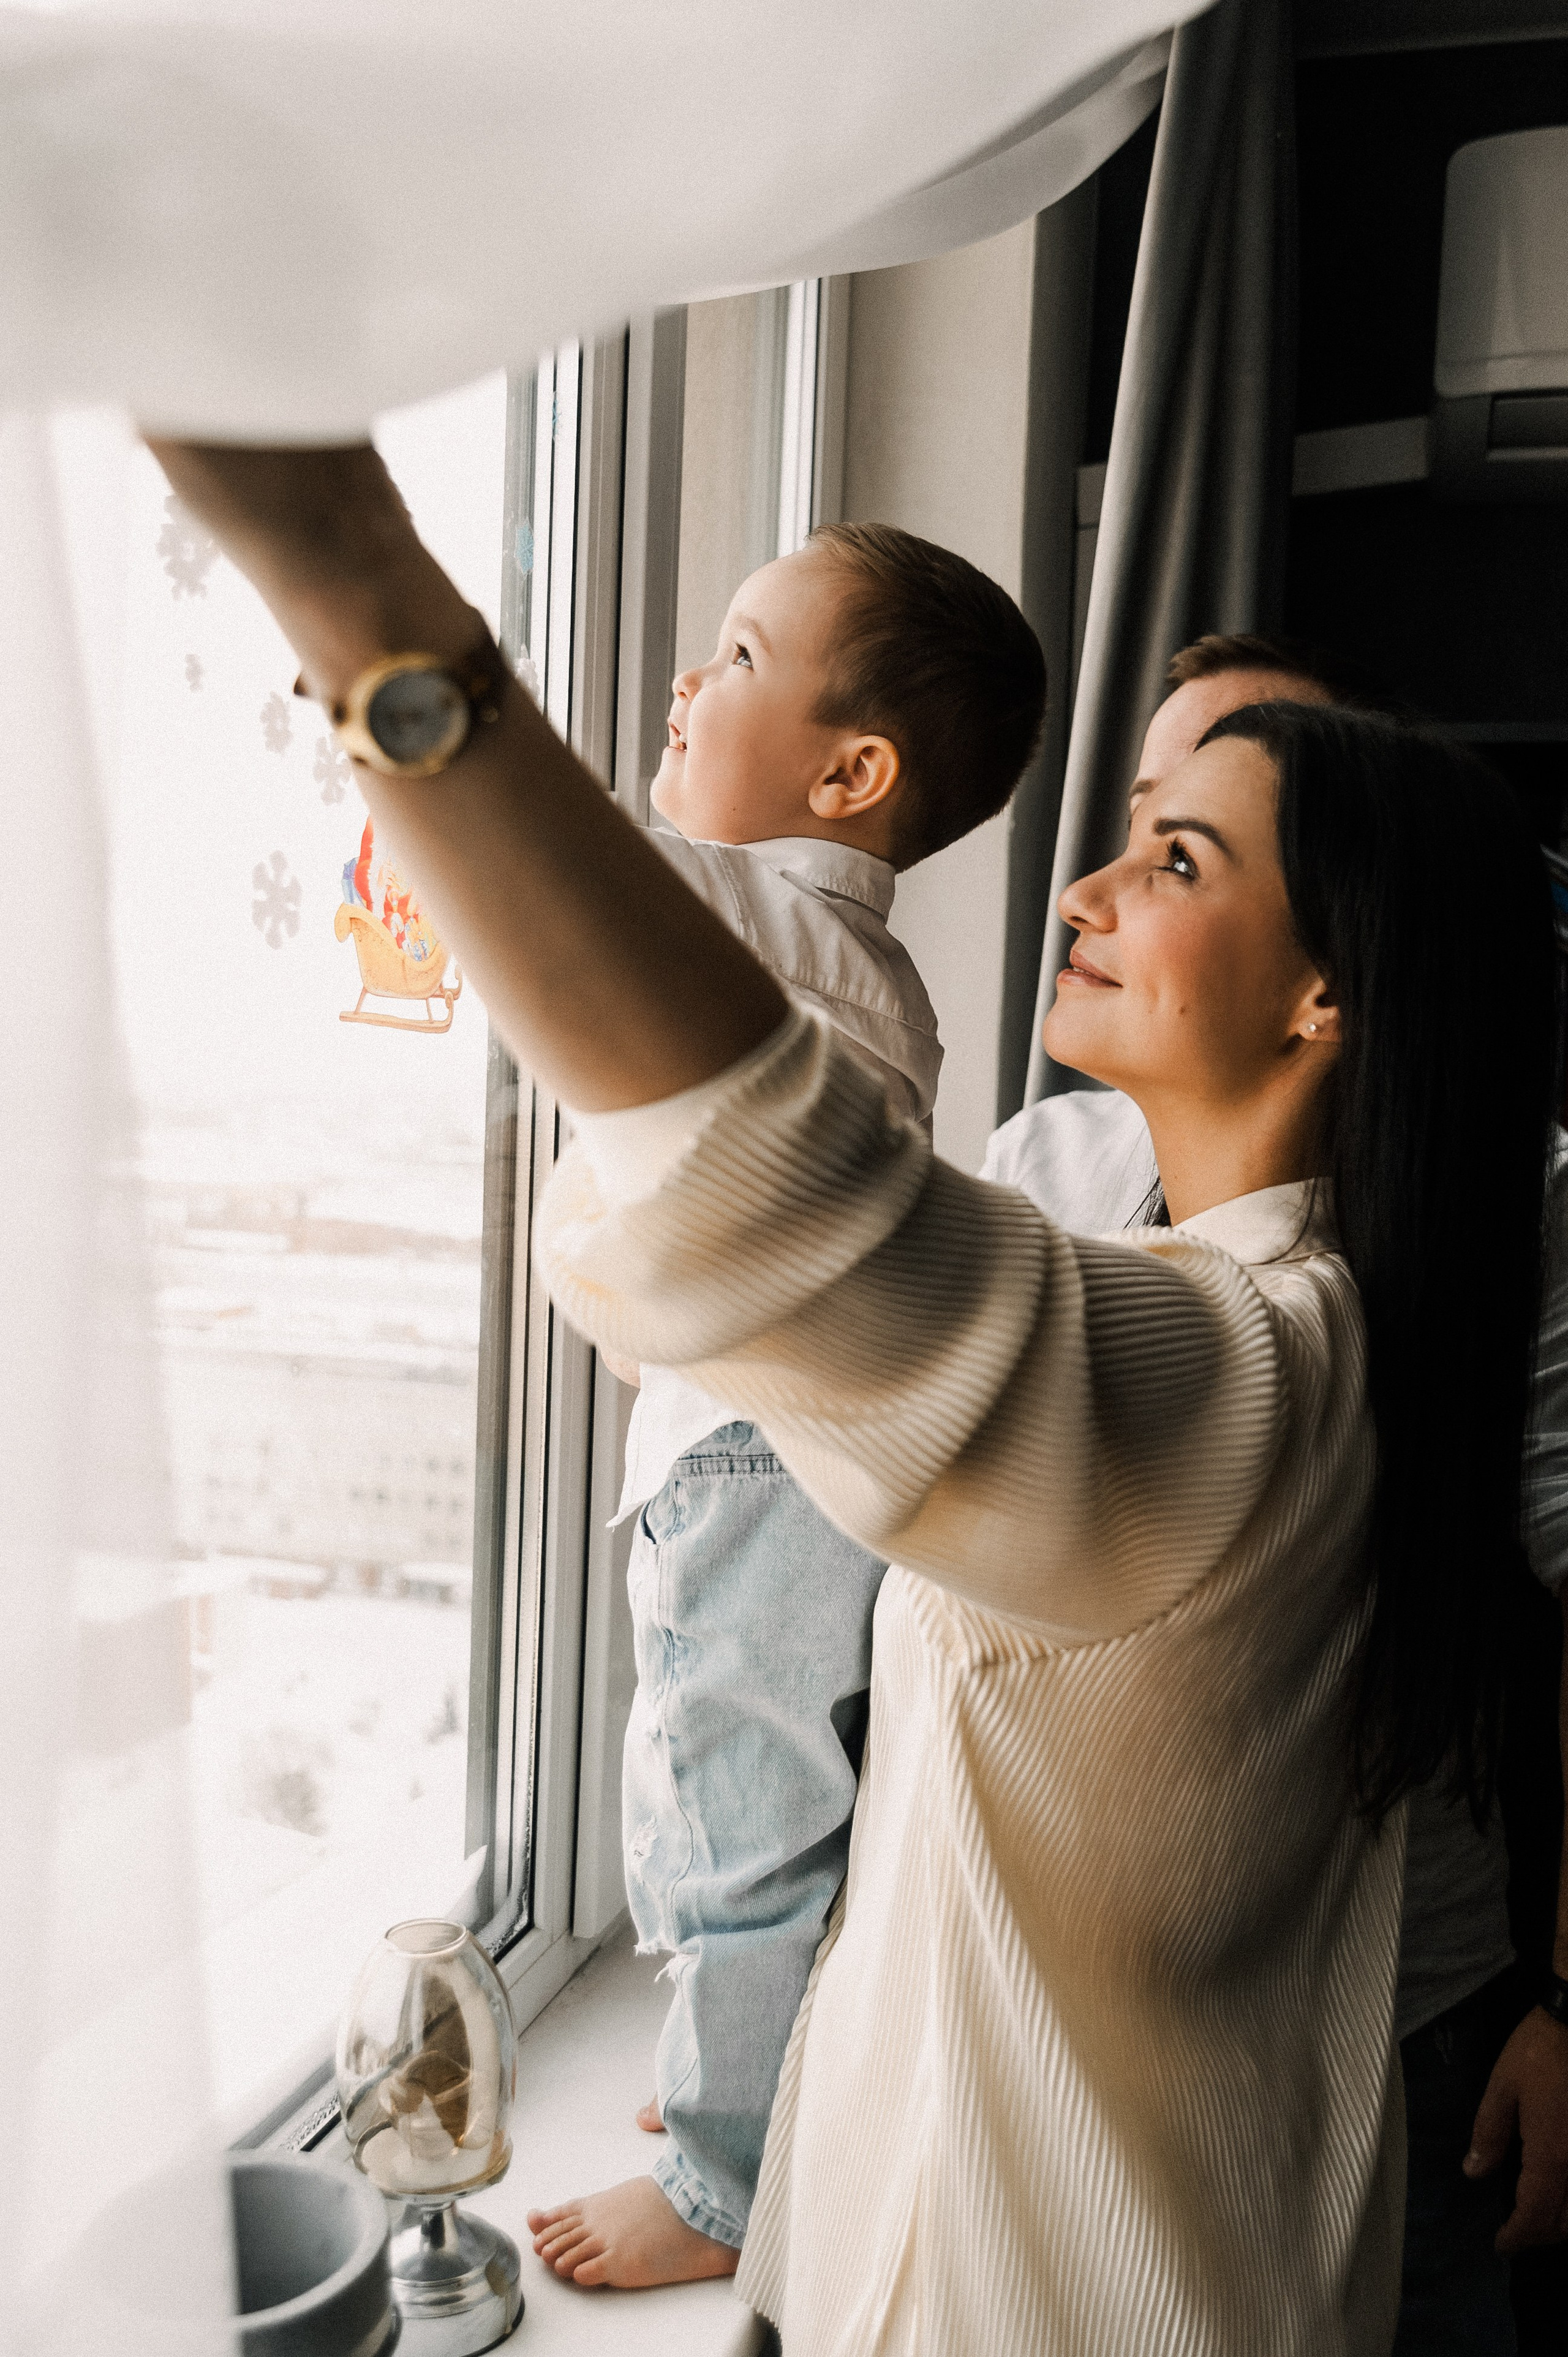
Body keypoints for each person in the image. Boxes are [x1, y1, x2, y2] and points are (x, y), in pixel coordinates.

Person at [148, 437, 1557, 2356]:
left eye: (1178, 858)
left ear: (1329, 998)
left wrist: (354, 585)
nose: (1084, 883)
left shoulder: (1248, 1377)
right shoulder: (1235, 1307)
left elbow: (784, 1194)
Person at [984, 632, 1568, 2354]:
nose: (1091, 893)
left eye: (1185, 853)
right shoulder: (1042, 1173)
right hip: (1096, 2028)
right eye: (1143, 815)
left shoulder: (1486, 1227)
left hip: (1410, 2006)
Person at [559, 521, 1045, 2285]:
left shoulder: (729, 908)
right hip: (811, 1452)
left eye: (740, 654)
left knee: (727, 1814)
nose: (688, 679)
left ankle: (723, 2186)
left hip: (747, 1460)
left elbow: (552, 880)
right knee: (773, 1798)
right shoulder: (874, 971)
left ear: (851, 772)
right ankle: (743, 2087)